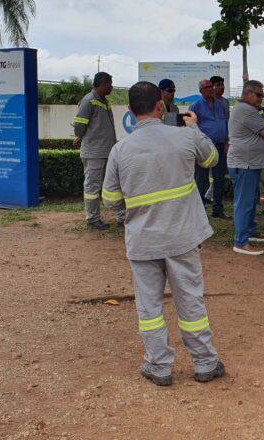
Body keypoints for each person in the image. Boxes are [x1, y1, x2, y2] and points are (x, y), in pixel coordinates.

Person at [102, 81, 224, 387]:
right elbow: (211, 160)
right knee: (191, 301)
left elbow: (110, 199)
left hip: (143, 241)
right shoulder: (184, 137)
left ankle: (159, 366)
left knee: (149, 307)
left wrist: (127, 217)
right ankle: (206, 363)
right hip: (182, 238)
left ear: (130, 110)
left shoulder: (120, 150)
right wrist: (195, 128)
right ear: (161, 105)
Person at [228, 80, 264, 255]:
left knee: (248, 201)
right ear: (247, 93)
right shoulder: (247, 111)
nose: (261, 98)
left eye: (262, 95)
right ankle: (240, 241)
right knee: (244, 204)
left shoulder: (246, 110)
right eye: (258, 94)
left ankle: (249, 231)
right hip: (245, 164)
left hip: (248, 164)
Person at [73, 72, 125, 230]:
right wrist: (80, 136)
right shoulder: (89, 100)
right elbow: (79, 125)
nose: (112, 87)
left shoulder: (103, 101)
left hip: (107, 151)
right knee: (92, 187)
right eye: (110, 83)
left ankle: (122, 216)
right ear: (102, 84)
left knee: (114, 184)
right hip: (94, 152)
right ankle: (93, 218)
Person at [190, 78, 230, 218]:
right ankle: (199, 211)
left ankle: (217, 210)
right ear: (201, 91)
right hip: (204, 148)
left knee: (219, 179)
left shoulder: (220, 105)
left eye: (211, 87)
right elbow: (191, 128)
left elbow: (225, 124)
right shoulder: (195, 106)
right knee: (202, 179)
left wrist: (227, 142)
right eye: (207, 87)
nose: (211, 89)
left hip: (220, 146)